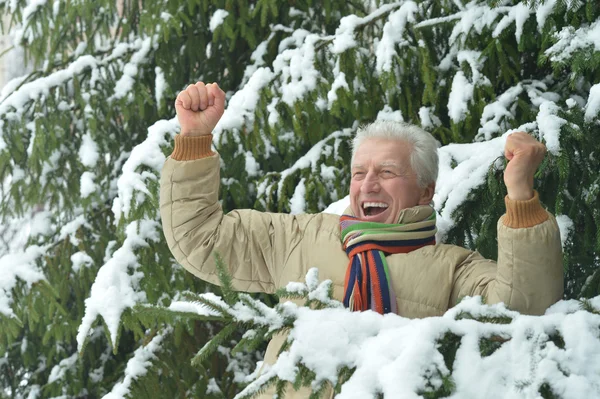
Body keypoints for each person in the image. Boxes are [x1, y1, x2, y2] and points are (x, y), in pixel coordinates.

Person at [160, 82, 563, 398]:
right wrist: (195, 137)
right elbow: (200, 239)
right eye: (359, 173)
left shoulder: (454, 268)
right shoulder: (302, 236)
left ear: (425, 191)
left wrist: (520, 195)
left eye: (386, 172)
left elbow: (523, 310)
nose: (368, 184)